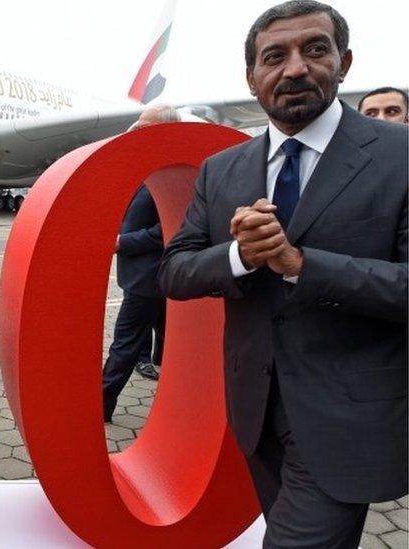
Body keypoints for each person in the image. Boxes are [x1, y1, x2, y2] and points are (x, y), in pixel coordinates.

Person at [159, 1, 407, 546]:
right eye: (274, 56)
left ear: (343, 62)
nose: (294, 68)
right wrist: (241, 257)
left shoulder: (400, 155)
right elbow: (174, 272)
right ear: (252, 78)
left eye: (314, 50)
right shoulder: (222, 169)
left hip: (349, 416)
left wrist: (301, 265)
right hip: (256, 408)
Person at [101, 104, 179, 423]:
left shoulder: (171, 171)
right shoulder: (146, 164)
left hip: (151, 277)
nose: (137, 130)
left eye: (145, 127)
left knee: (125, 344)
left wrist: (122, 242)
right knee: (171, 347)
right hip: (148, 277)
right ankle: (180, 409)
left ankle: (100, 406)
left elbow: (169, 228)